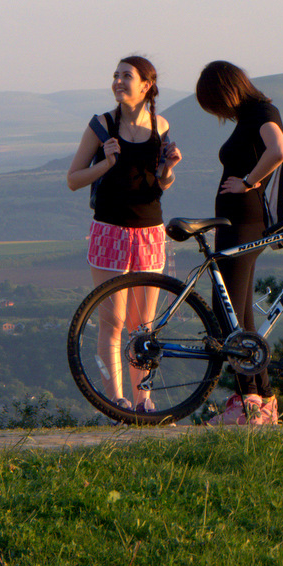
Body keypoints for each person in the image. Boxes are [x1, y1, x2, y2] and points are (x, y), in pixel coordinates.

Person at [67, 56, 181, 413]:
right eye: (115, 75)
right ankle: (116, 403)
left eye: (125, 76)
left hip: (149, 231)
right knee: (111, 321)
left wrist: (169, 168)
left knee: (142, 326)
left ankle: (143, 402)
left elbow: (161, 184)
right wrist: (106, 162)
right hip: (110, 231)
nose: (117, 81)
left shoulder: (160, 125)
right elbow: (73, 179)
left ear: (146, 85)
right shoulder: (101, 126)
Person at [195, 60, 283, 426]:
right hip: (238, 223)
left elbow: (279, 149)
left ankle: (248, 400)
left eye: (215, 102)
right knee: (240, 311)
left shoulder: (262, 111)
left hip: (245, 222)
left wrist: (248, 181)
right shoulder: (252, 114)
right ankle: (261, 400)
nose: (218, 111)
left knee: (227, 312)